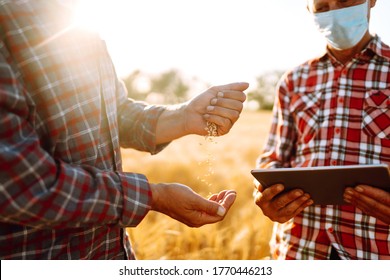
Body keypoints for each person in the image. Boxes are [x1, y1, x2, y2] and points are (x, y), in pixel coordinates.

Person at [0, 0, 249, 259]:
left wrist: (184, 117)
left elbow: (112, 111)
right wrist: (153, 197)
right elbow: (19, 184)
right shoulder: (7, 22)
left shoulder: (80, 24)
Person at [254, 0, 390, 260]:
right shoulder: (293, 81)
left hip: (377, 250)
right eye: (322, 7)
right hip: (299, 248)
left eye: (345, 1)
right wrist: (266, 195)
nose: (336, 13)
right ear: (309, 10)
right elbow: (274, 159)